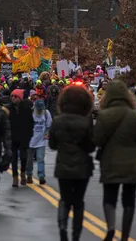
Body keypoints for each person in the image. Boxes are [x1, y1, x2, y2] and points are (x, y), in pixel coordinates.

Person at [94, 80, 136, 241]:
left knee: (110, 196)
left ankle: (110, 226)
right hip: (131, 162)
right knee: (129, 199)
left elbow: (98, 140)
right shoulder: (135, 115)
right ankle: (125, 235)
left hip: (110, 161)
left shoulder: (104, 115)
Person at [49, 85, 95, 241]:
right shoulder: (86, 122)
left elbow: (52, 145)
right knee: (78, 202)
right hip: (82, 167)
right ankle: (76, 234)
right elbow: (91, 146)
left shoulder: (57, 121)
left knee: (65, 199)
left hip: (63, 166)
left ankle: (62, 228)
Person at [7, 89, 34, 187]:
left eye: (15, 96)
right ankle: (15, 177)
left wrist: (30, 134)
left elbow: (31, 122)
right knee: (13, 158)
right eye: (12, 96)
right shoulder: (9, 109)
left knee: (23, 157)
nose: (13, 98)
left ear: (20, 98)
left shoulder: (27, 108)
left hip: (24, 136)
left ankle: (23, 173)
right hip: (12, 136)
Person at [27, 99, 52, 184]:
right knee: (29, 160)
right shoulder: (30, 113)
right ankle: (29, 175)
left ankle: (41, 176)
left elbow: (49, 125)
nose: (40, 110)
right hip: (30, 141)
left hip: (41, 141)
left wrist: (47, 133)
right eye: (39, 109)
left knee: (40, 159)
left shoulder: (46, 113)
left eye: (42, 108)